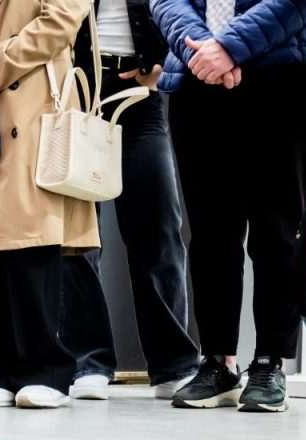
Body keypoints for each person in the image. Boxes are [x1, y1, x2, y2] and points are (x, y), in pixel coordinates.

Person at [152, 0, 306, 412]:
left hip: (282, 78)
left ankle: (270, 362)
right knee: (210, 232)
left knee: (278, 230)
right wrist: (201, 50)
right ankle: (216, 361)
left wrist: (228, 47)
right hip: (199, 81)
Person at [0, 0, 99, 410]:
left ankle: (47, 371)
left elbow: (60, 21)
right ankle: (1, 368)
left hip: (33, 103)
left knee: (30, 237)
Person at [61, 0, 201, 402]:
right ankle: (89, 360)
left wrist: (166, 65)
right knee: (78, 231)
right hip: (80, 88)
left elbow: (187, 11)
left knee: (159, 224)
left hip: (141, 94)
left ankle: (173, 362)